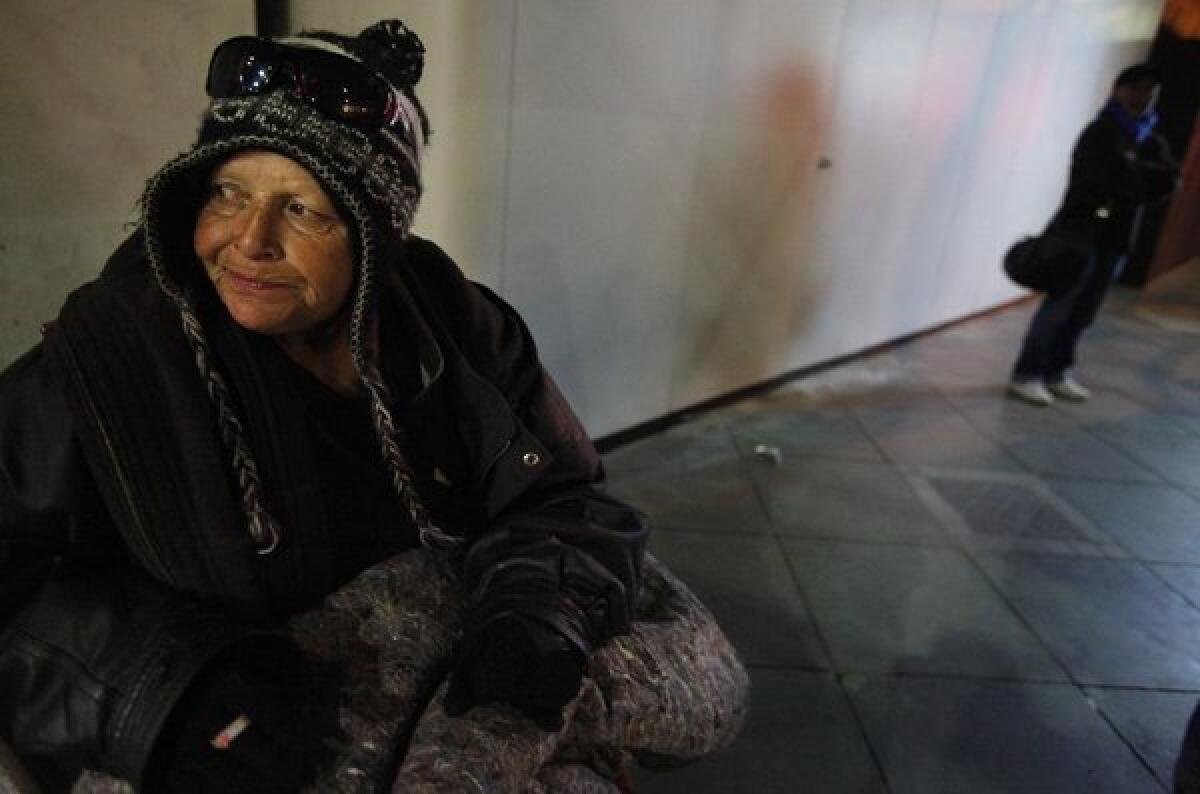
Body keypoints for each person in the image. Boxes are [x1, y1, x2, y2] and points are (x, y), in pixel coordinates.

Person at [0, 21, 746, 793]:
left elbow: (560, 493)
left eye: (303, 211)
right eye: (228, 193)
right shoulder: (106, 369)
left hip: (445, 654)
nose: (247, 241)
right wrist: (161, 697)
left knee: (686, 692)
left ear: (373, 239)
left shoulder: (453, 324)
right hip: (250, 731)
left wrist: (537, 614)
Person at [1009, 62, 1178, 406]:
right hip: (1079, 234)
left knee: (1084, 312)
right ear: (1118, 90)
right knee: (1059, 307)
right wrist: (1138, 179)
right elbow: (1100, 181)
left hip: (1114, 239)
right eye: (1135, 89)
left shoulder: (1150, 138)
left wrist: (1133, 173)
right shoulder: (1100, 132)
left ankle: (1057, 373)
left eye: (1149, 92)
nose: (1142, 98)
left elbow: (1167, 181)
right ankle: (1027, 374)